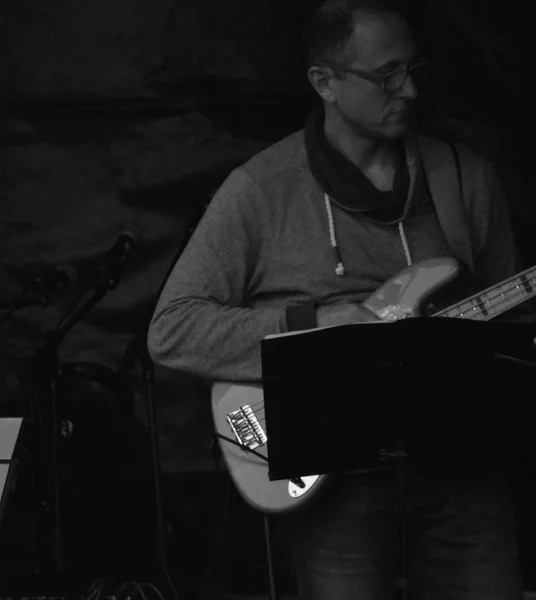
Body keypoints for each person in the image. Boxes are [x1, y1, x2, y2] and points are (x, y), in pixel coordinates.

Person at [147, 0, 527, 597]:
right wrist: (317, 323)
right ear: (324, 82)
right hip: (337, 482)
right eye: (386, 75)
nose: (408, 90)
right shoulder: (260, 191)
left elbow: (516, 322)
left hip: (462, 467)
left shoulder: (465, 179)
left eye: (413, 70)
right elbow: (172, 329)